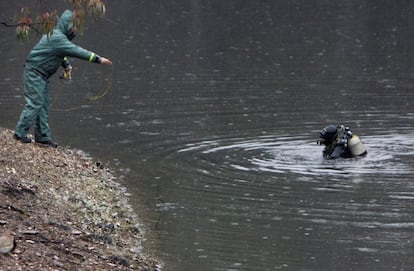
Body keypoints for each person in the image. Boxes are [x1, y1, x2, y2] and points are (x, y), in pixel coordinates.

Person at [13, 10, 112, 148]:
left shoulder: (55, 36)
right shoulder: (57, 38)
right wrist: (98, 59)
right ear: (67, 25)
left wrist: (66, 65)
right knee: (36, 103)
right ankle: (19, 133)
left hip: (41, 75)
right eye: (73, 26)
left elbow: (59, 52)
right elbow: (76, 51)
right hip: (34, 73)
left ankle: (43, 137)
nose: (75, 30)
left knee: (44, 104)